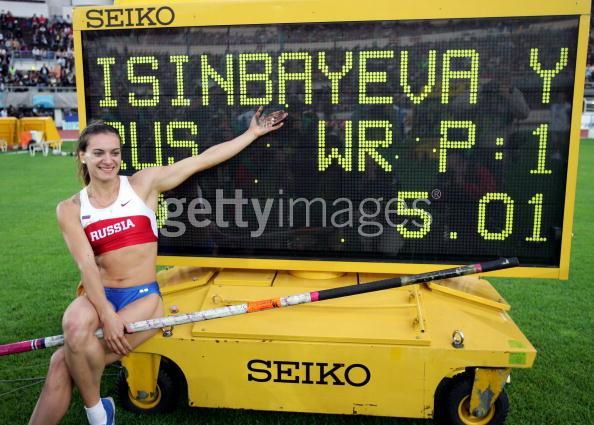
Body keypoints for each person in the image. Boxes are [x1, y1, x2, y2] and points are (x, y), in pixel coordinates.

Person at [28, 106, 287, 425]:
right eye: (98, 153)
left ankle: (97, 411)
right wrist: (107, 316)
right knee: (71, 327)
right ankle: (98, 413)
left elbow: (202, 160)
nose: (108, 160)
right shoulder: (70, 209)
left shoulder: (142, 185)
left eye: (114, 152)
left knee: (61, 362)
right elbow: (86, 265)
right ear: (82, 156)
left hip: (142, 298)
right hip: (99, 296)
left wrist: (251, 134)